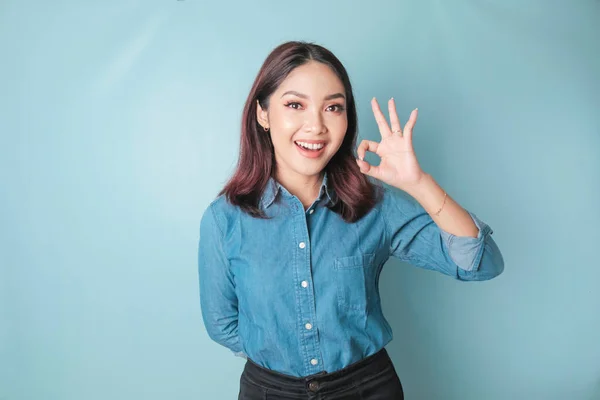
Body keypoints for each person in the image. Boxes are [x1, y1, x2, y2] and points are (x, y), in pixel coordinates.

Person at [197, 41, 504, 400]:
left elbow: (479, 263)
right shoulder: (224, 219)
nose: (316, 126)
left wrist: (418, 184)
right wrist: (278, 358)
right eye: (295, 105)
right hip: (269, 391)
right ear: (263, 114)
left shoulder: (375, 206)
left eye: (333, 107)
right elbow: (222, 323)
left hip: (367, 388)